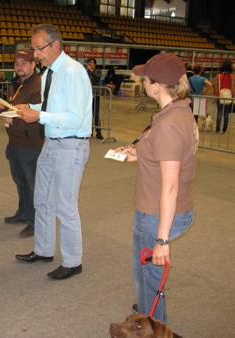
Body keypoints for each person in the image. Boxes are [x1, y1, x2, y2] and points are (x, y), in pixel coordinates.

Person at [114, 53, 198, 323]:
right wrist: (136, 154)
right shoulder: (179, 112)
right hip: (164, 210)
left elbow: (170, 186)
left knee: (148, 277)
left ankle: (149, 326)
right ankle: (148, 313)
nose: (142, 80)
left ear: (157, 86)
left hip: (155, 215)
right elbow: (167, 157)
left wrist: (161, 241)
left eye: (146, 77)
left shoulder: (170, 125)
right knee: (146, 276)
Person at [15, 24, 92, 280]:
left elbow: (74, 117)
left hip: (70, 145)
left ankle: (73, 261)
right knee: (42, 201)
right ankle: (44, 249)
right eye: (34, 49)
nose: (35, 55)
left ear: (55, 45)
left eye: (39, 49)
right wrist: (30, 106)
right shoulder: (50, 73)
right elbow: (50, 106)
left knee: (66, 207)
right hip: (51, 142)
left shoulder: (74, 72)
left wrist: (39, 114)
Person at [0, 49, 43, 237]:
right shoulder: (18, 85)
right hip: (14, 141)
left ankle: (35, 220)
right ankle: (23, 213)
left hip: (30, 144)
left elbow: (36, 116)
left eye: (24, 63)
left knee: (32, 185)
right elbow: (14, 107)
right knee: (20, 182)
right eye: (17, 63)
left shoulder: (37, 86)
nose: (19, 67)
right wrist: (3, 107)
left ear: (33, 65)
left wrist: (11, 119)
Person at [85, 58, 103, 139]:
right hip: (88, 95)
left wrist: (91, 71)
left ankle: (98, 132)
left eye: (92, 62)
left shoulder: (98, 71)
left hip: (96, 95)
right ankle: (89, 130)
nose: (90, 64)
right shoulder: (85, 71)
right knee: (88, 114)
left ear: (95, 64)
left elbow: (97, 79)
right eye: (89, 62)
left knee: (96, 114)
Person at [214, 60, 234, 134]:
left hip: (220, 95)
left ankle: (217, 129)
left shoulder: (218, 76)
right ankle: (224, 129)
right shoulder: (232, 76)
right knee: (226, 113)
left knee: (219, 113)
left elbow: (216, 88)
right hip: (228, 96)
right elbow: (232, 88)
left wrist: (216, 96)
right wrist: (233, 96)